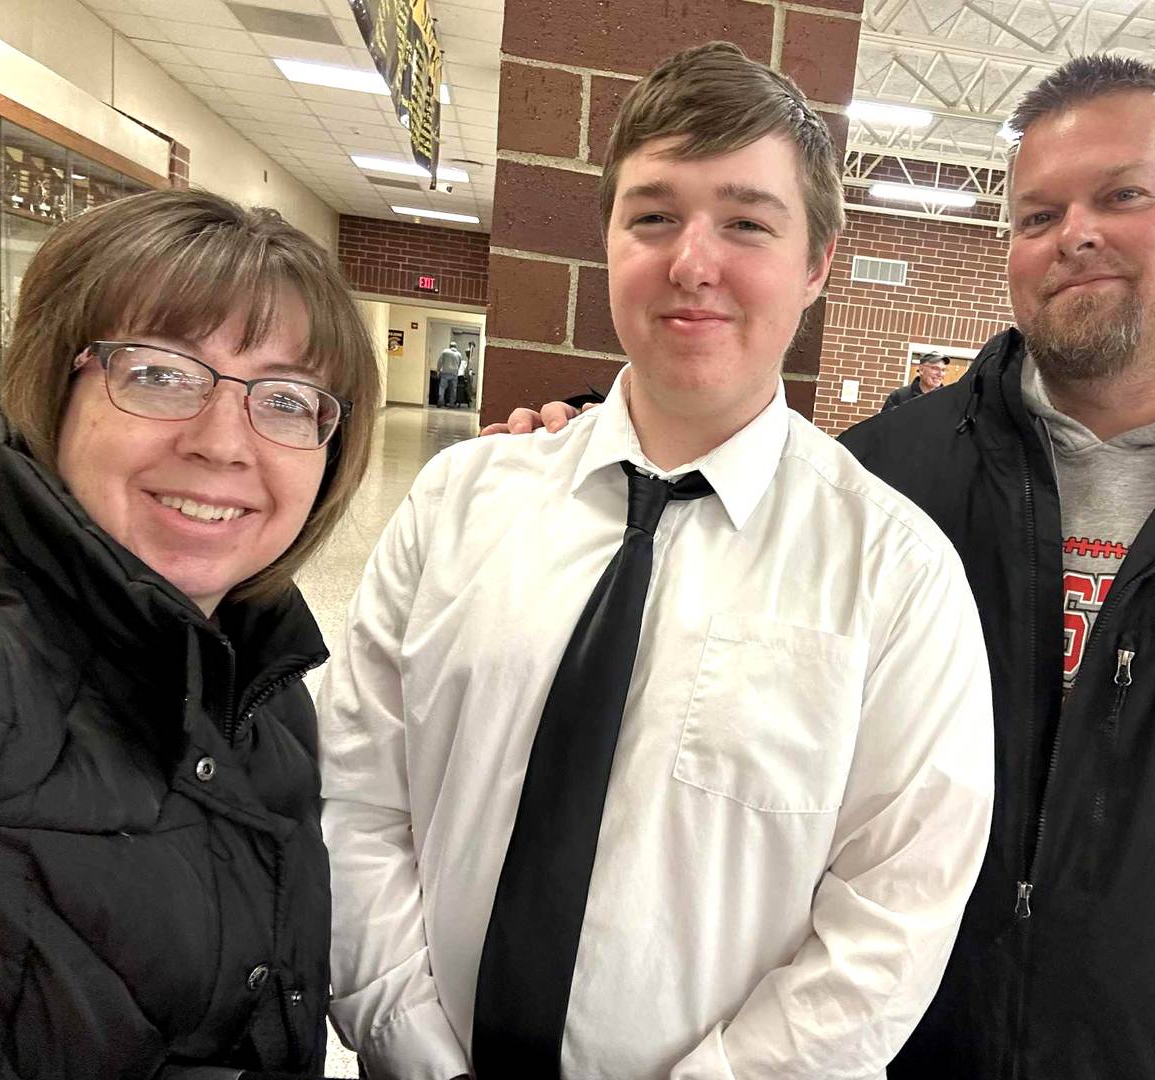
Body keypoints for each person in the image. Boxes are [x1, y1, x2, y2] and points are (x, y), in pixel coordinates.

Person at [494, 54, 1155, 1080]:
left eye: (1123, 196)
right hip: (889, 1054)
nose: (1075, 233)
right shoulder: (888, 478)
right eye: (1037, 215)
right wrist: (577, 470)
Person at [319, 41, 994, 1080]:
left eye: (747, 222)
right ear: (607, 243)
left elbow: (893, 921)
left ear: (817, 263)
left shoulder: (897, 578)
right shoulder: (460, 504)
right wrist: (410, 1047)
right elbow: (358, 803)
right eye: (654, 216)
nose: (693, 261)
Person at [0, 189, 379, 1078]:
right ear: (54, 384)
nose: (223, 444)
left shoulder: (261, 686)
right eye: (161, 372)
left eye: (285, 399)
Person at [881, 351, 948, 411]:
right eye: (935, 368)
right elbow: (883, 423)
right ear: (921, 369)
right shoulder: (899, 396)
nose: (940, 374)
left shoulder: (948, 400)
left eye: (943, 370)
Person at [436, 340, 463, 407]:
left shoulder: (445, 352)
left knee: (442, 387)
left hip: (445, 372)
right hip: (454, 373)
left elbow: (440, 362)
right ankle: (451, 403)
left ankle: (441, 400)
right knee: (453, 389)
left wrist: (438, 370)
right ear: (456, 347)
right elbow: (459, 364)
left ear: (450, 346)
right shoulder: (459, 354)